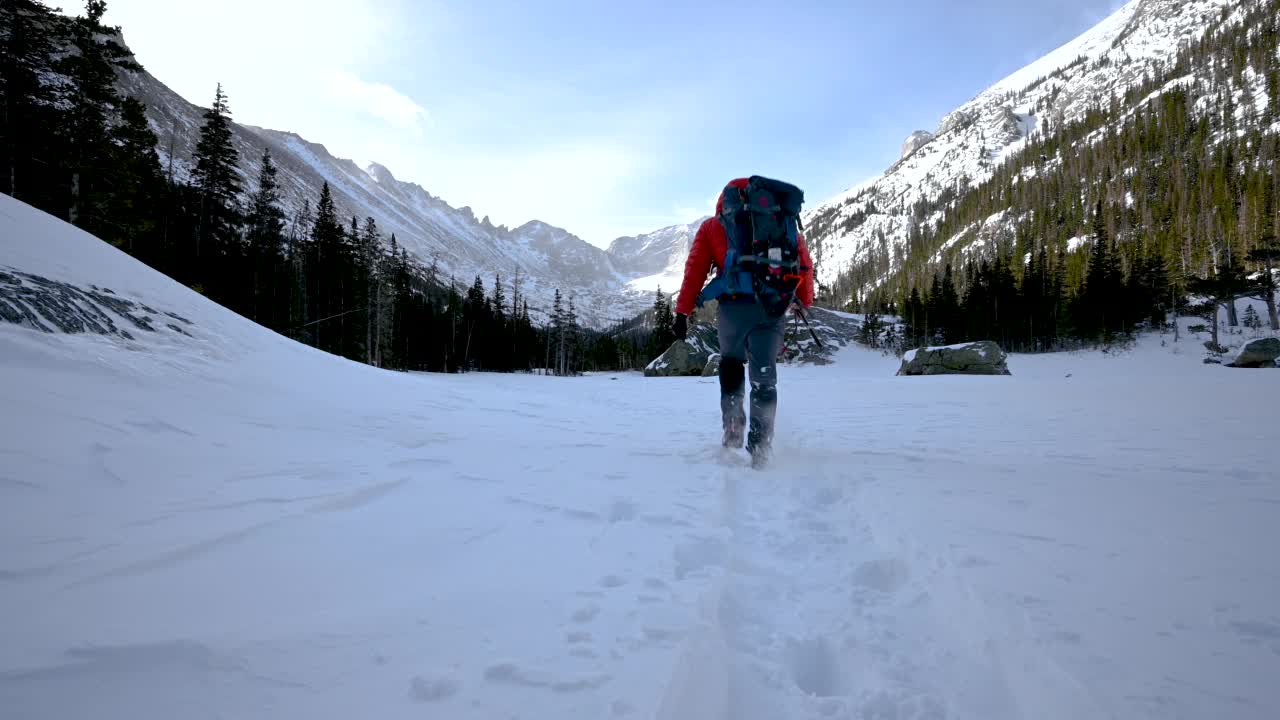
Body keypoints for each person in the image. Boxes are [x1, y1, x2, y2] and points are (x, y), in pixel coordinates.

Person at [672, 177, 815, 466]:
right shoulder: (780, 221)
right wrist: (804, 300)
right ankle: (761, 445)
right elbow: (803, 263)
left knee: (731, 362)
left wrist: (682, 311)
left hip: (734, 310)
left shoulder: (714, 226)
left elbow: (695, 270)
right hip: (771, 308)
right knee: (764, 377)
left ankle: (734, 425)